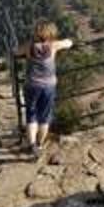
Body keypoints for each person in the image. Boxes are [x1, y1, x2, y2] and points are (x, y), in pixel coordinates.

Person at [18, 21, 73, 157]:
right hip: (48, 86)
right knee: (44, 117)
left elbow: (15, 51)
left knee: (31, 115)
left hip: (31, 85)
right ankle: (39, 145)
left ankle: (31, 145)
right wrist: (69, 40)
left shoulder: (28, 47)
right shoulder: (53, 45)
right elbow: (68, 43)